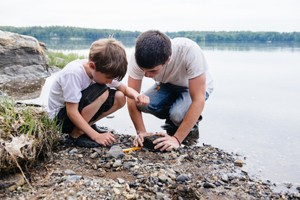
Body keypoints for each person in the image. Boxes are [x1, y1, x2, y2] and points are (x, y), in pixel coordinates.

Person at [47, 38, 149, 148]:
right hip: (61, 119)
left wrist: (137, 96)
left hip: (77, 113)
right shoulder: (74, 73)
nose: (110, 81)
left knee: (120, 96)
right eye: (108, 78)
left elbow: (124, 89)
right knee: (103, 92)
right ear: (92, 66)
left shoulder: (102, 70)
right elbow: (72, 112)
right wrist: (96, 136)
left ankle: (87, 126)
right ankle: (76, 134)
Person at [127, 30, 213, 151]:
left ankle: (186, 122)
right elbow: (131, 97)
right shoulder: (137, 57)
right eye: (143, 70)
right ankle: (174, 116)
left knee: (177, 115)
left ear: (168, 59)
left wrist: (177, 139)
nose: (146, 75)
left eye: (152, 71)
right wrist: (141, 132)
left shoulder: (189, 50)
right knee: (140, 103)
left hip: (192, 87)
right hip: (167, 85)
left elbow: (198, 99)